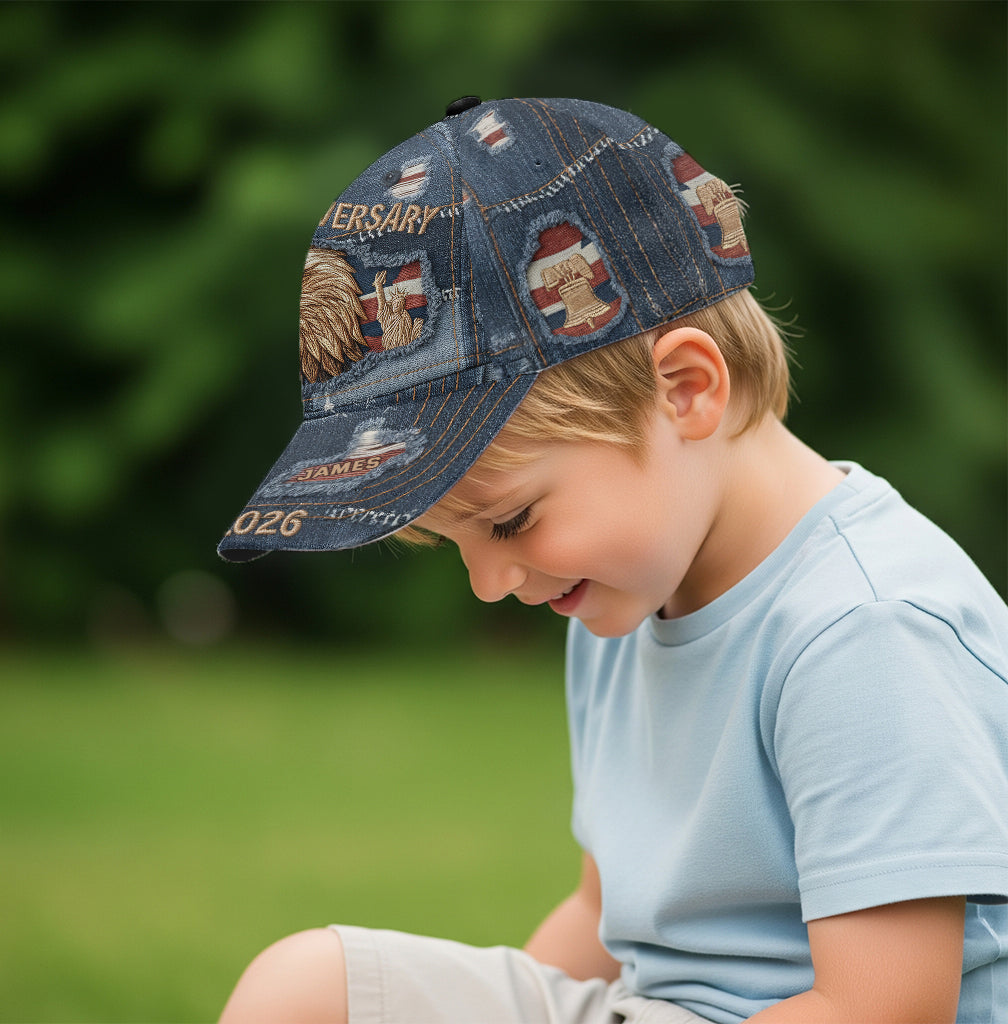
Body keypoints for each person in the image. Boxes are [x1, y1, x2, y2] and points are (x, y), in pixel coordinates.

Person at [216, 97, 1008, 1023]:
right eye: (455, 543)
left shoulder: (862, 628)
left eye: (508, 523)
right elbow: (604, 918)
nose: (488, 583)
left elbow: (883, 1008)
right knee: (306, 990)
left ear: (685, 391)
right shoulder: (618, 596)